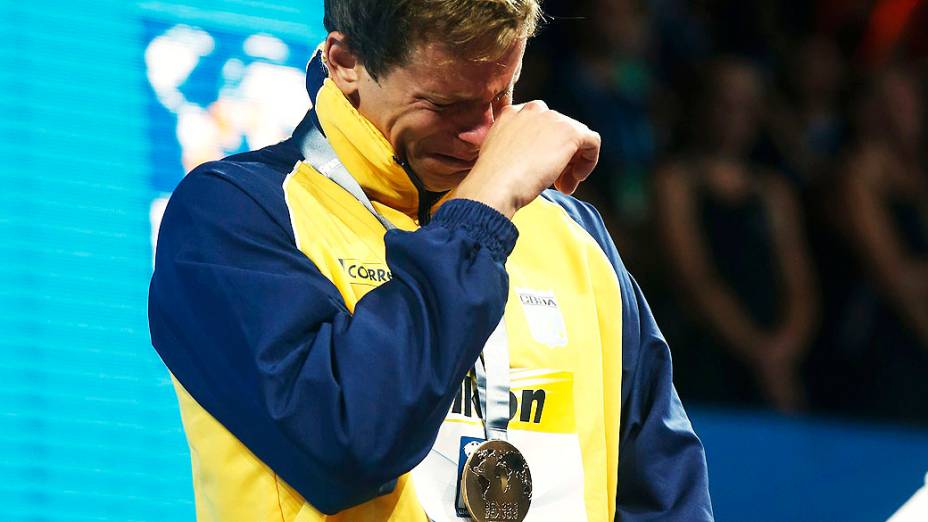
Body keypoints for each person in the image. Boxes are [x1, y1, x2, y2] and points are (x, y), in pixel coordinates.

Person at [148, 1, 713, 520]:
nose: (481, 136)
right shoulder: (232, 217)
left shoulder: (574, 236)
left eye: (500, 96)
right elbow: (351, 444)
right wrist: (483, 210)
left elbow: (666, 496)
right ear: (346, 63)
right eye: (446, 105)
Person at [654, 59, 819, 413]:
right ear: (702, 104)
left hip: (773, 360)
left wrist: (783, 350)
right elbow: (695, 280)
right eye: (723, 102)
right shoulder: (676, 181)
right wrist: (759, 352)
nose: (733, 116)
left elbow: (800, 283)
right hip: (704, 353)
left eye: (745, 106)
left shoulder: (773, 191)